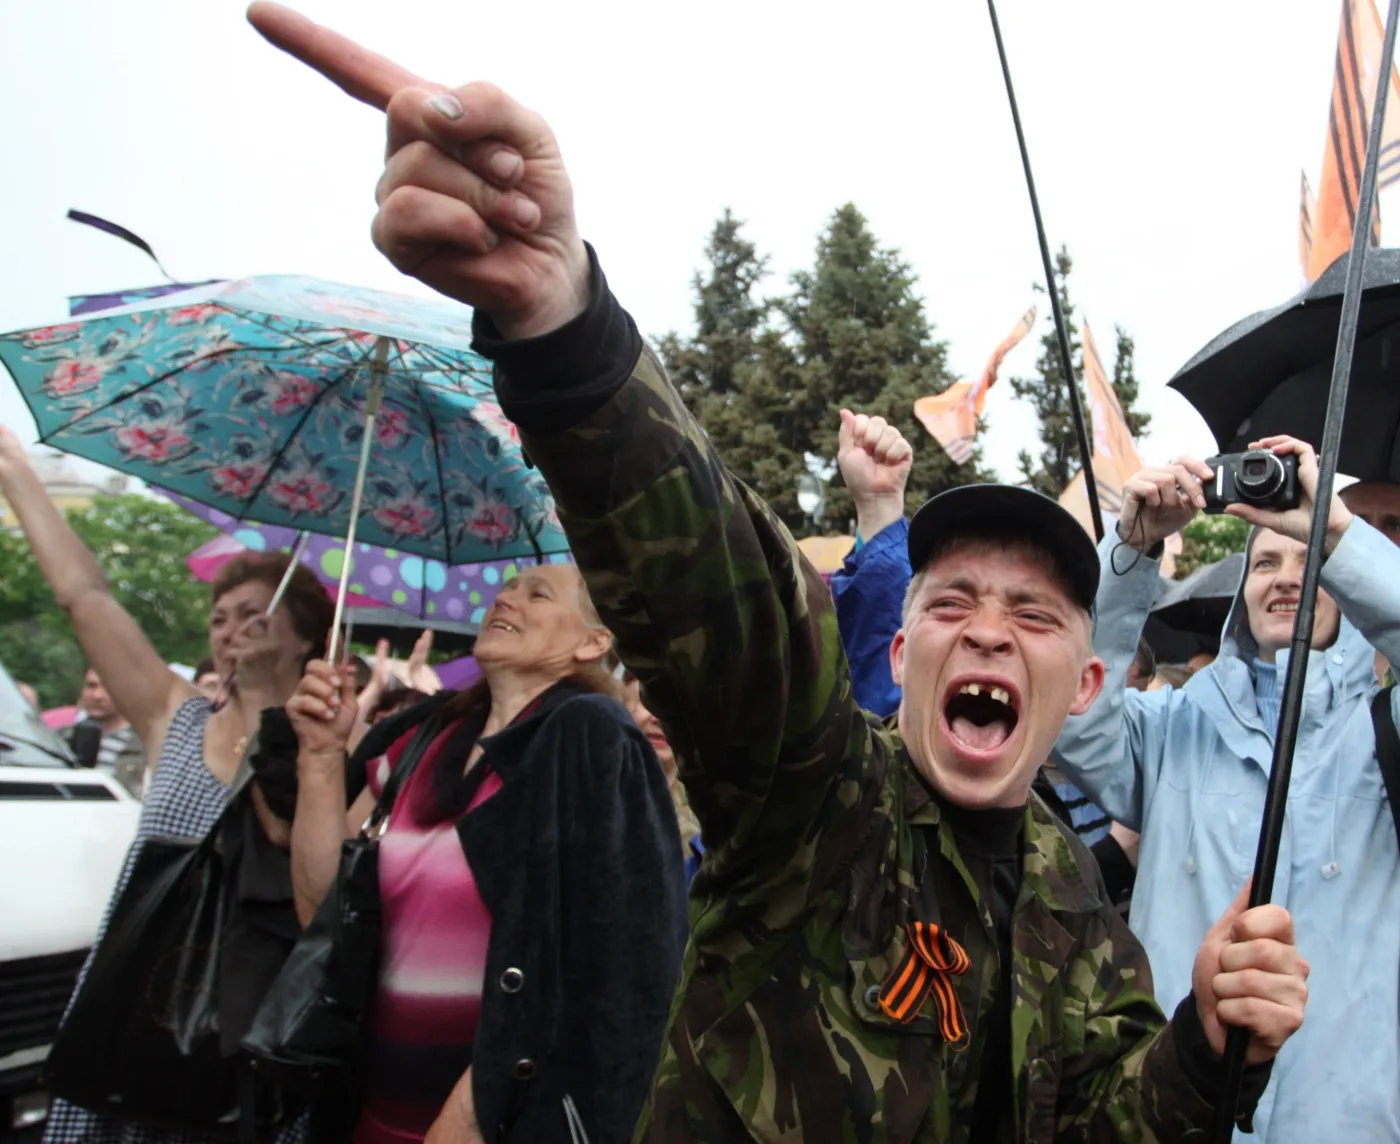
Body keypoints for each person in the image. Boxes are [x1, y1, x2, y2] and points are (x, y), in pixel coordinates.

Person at [248, 10, 1312, 1136]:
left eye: (1035, 614)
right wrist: (564, 329)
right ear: (899, 656)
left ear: (1086, 682)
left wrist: (1200, 1044)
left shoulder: (1066, 886)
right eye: (949, 602)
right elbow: (730, 596)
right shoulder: (816, 801)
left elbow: (1103, 1120)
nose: (989, 631)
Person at [1052, 442, 1400, 1141]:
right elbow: (1073, 710)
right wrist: (1130, 551)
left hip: (1343, 1118)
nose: (1285, 578)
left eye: (1308, 560)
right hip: (1174, 1107)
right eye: (1265, 562)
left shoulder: (1384, 734)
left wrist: (1335, 531)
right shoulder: (1175, 727)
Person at [1, 424, 335, 1144]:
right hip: (138, 1014)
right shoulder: (171, 717)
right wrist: (15, 472)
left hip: (249, 1039)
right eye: (219, 619)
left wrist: (313, 750)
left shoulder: (333, 750)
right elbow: (86, 599)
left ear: (307, 636)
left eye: (255, 614)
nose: (230, 630)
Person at [286, 562, 687, 1143]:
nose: (505, 600)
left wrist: (476, 1109)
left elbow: (623, 960)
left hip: (497, 1122)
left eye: (537, 594)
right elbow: (318, 909)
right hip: (369, 1107)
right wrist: (321, 758)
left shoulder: (590, 734)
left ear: (593, 642)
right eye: (505, 588)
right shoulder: (423, 735)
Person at [66, 666, 148, 798]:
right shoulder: (58, 738)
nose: (97, 696)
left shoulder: (145, 747)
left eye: (108, 687)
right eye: (91, 686)